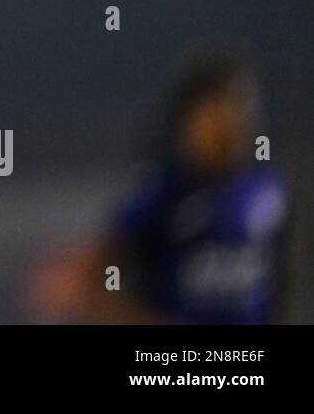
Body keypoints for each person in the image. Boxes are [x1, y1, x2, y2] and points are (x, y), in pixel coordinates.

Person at [107, 52, 292, 323]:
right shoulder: (158, 194)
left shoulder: (269, 191)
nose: (229, 124)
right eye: (217, 109)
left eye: (240, 107)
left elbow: (281, 281)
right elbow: (100, 281)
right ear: (189, 120)